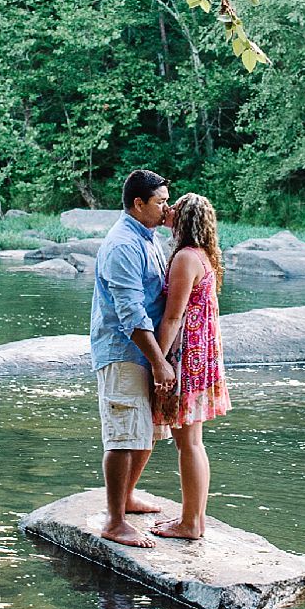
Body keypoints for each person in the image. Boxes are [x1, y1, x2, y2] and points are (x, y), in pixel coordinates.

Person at [89, 169, 175, 548]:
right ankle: (114, 521)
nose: (166, 208)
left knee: (147, 431)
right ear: (138, 204)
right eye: (160, 202)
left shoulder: (148, 236)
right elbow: (130, 313)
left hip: (145, 351)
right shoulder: (123, 244)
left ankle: (126, 497)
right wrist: (159, 361)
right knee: (123, 435)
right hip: (123, 351)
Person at [149, 192, 230, 540]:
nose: (167, 210)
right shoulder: (203, 255)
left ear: (183, 220)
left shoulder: (184, 258)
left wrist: (156, 362)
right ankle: (194, 519)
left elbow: (173, 317)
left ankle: (190, 523)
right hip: (201, 358)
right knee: (193, 442)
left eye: (174, 208)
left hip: (187, 360)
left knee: (189, 444)